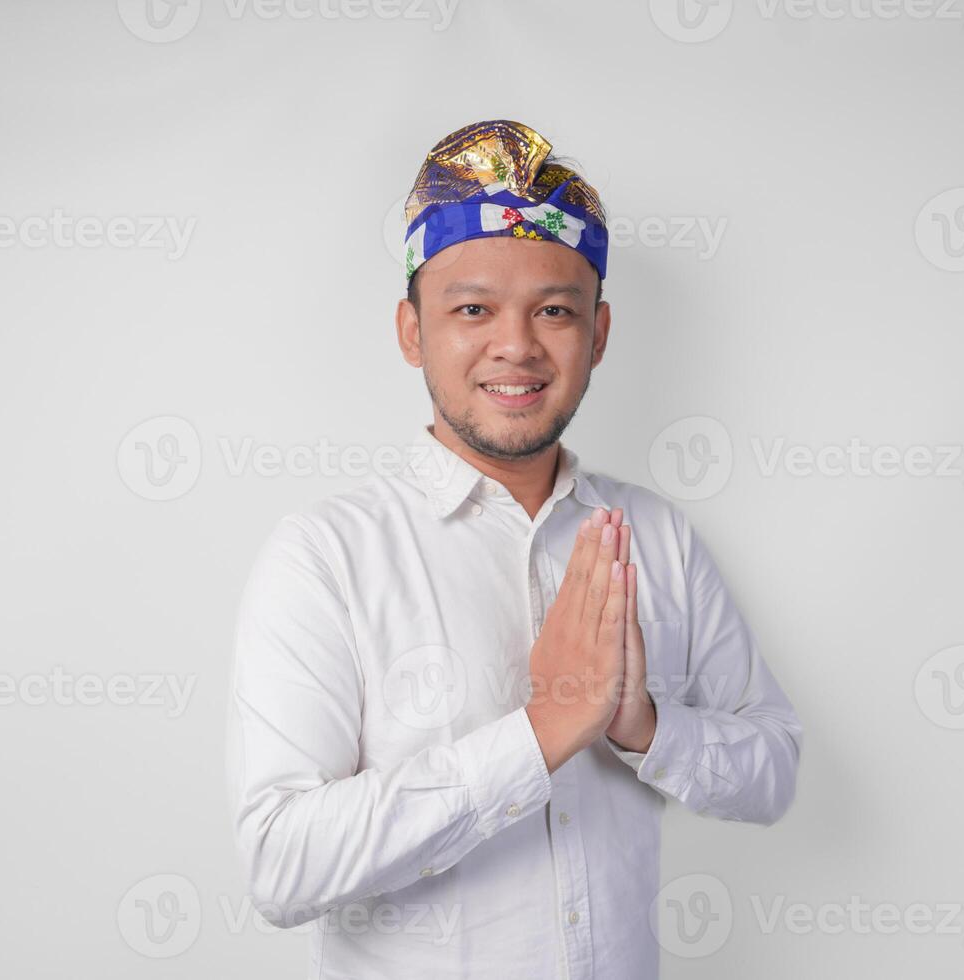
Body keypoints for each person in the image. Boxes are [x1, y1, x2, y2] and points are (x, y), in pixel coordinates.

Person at [227, 119, 802, 979]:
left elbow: (773, 770)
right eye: (472, 309)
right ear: (413, 331)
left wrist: (643, 727)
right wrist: (539, 733)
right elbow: (280, 865)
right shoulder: (325, 557)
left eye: (555, 311)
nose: (517, 345)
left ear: (598, 336)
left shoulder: (659, 538)